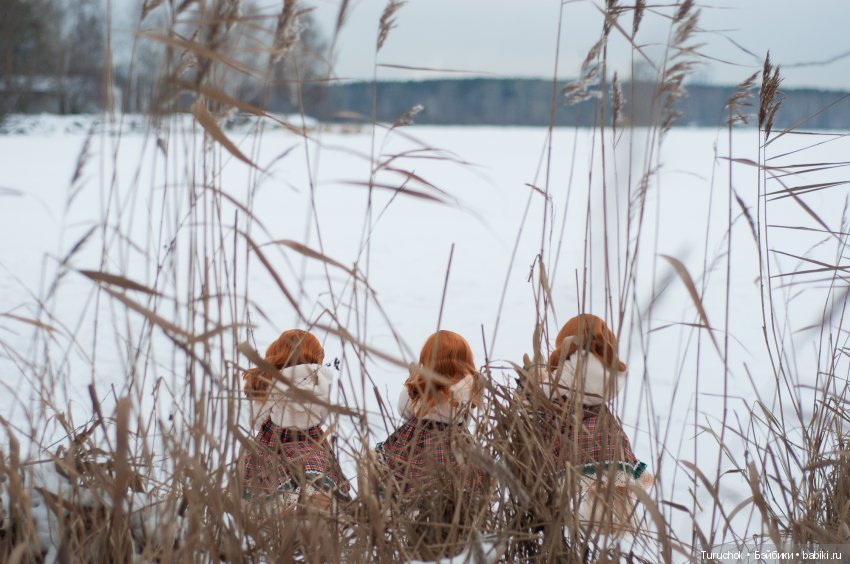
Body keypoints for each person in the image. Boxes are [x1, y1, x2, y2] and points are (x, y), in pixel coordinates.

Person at [373, 330, 489, 559]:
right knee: (461, 485)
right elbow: (468, 415)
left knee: (406, 479)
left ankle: (410, 522)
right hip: (456, 443)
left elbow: (404, 411)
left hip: (417, 439)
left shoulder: (419, 384)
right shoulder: (471, 385)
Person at [538, 313, 653, 535]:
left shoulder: (575, 363)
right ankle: (614, 526)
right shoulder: (612, 370)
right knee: (612, 484)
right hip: (605, 427)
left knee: (570, 480)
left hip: (577, 428)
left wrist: (533, 381)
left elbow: (554, 390)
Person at [241, 329, 351, 512]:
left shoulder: (271, 378)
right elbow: (321, 416)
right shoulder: (321, 380)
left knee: (271, 474)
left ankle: (289, 503)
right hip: (312, 442)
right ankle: (316, 496)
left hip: (276, 444)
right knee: (319, 468)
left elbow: (256, 419)